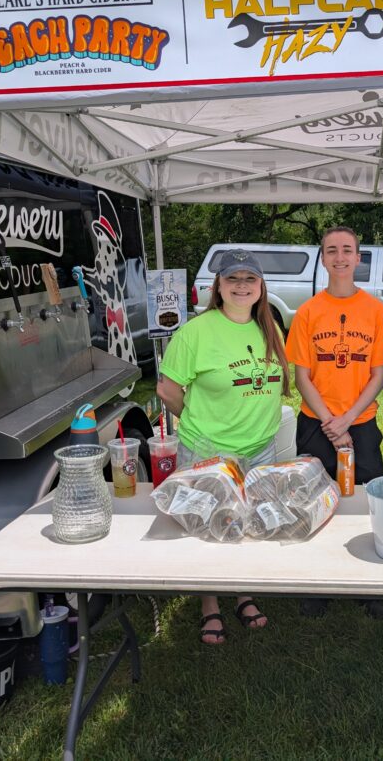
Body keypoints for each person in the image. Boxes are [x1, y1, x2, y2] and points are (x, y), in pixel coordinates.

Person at [156, 248, 289, 645]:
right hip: (209, 453)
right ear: (218, 286)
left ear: (261, 286)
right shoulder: (196, 332)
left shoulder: (269, 328)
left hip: (259, 449)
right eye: (233, 278)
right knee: (209, 528)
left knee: (248, 523)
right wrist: (199, 425)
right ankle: (209, 604)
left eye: (250, 279)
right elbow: (167, 389)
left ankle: (243, 592)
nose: (241, 286)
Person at [286, 226, 383, 619]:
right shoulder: (308, 312)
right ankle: (318, 581)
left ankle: (369, 582)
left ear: (358, 258)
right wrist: (330, 421)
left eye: (347, 250)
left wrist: (347, 419)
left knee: (366, 501)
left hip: (359, 422)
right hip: (317, 422)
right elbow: (301, 376)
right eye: (332, 250)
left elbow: (378, 373)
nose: (340, 257)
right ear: (323, 258)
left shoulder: (376, 311)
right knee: (315, 499)